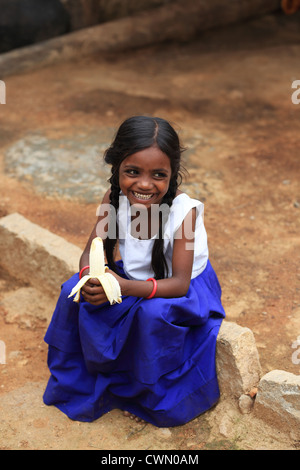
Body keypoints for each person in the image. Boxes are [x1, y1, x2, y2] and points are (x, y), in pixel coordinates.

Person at [43, 116, 226, 427]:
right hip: (130, 279)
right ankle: (82, 379)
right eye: (132, 172)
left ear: (173, 175)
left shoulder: (185, 214)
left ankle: (144, 393)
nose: (144, 184)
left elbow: (180, 284)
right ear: (117, 169)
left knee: (150, 317)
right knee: (70, 293)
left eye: (158, 175)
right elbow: (90, 251)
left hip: (175, 291)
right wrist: (90, 276)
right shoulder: (112, 200)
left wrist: (124, 288)